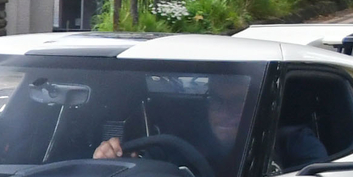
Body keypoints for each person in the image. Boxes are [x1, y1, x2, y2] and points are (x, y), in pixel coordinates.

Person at [94, 72, 257, 162]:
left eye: (237, 102)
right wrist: (112, 159)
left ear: (256, 104)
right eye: (217, 100)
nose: (224, 111)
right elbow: (148, 168)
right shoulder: (179, 145)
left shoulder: (274, 149)